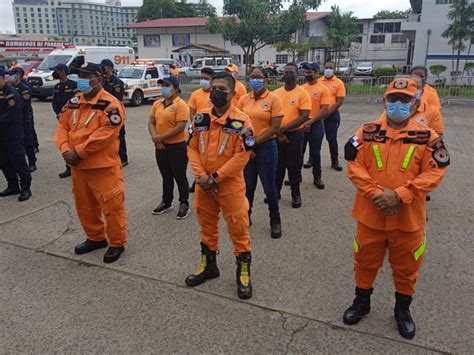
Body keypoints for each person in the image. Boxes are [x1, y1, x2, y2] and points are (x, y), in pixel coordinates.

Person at [342, 78, 449, 339]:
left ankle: (402, 310)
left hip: (407, 219)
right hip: (370, 215)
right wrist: (377, 194)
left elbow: (435, 172)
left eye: (404, 100)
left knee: (407, 267)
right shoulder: (366, 132)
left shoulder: (427, 137)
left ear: (415, 104)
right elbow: (354, 166)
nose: (398, 104)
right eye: (393, 99)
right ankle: (362, 302)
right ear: (384, 101)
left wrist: (400, 195)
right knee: (364, 262)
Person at [185, 72, 255, 300]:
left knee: (238, 228)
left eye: (222, 89)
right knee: (206, 225)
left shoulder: (242, 121)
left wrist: (214, 178)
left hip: (229, 186)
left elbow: (241, 156)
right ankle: (209, 266)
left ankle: (243, 272)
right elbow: (192, 148)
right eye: (213, 87)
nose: (215, 92)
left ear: (233, 94)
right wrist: (202, 177)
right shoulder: (200, 119)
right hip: (203, 185)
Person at [54, 63, 127, 263]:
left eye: (87, 76)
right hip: (78, 167)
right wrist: (65, 149)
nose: (82, 79)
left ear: (99, 78)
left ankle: (116, 243)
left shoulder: (111, 104)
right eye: (80, 75)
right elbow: (62, 126)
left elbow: (105, 134)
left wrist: (78, 151)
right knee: (84, 206)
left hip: (103, 166)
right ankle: (95, 238)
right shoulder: (74, 102)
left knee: (112, 207)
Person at [237, 67, 284, 238]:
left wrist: (254, 143)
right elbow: (238, 122)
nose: (254, 80)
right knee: (248, 187)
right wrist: (247, 146)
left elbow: (275, 127)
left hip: (266, 148)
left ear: (266, 79)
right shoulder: (243, 99)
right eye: (252, 77)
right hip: (247, 148)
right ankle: (246, 216)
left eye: (258, 77)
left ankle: (275, 220)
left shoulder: (274, 99)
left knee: (269, 187)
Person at [148, 76, 190, 219]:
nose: (164, 87)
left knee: (179, 176)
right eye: (162, 85)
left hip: (177, 146)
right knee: (166, 176)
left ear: (176, 88)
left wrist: (160, 137)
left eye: (167, 85)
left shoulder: (181, 105)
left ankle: (184, 203)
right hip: (160, 146)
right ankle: (166, 201)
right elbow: (151, 122)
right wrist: (156, 138)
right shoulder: (157, 104)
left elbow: (180, 127)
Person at [273, 63, 311, 208]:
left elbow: (304, 116)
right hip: (277, 135)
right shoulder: (276, 93)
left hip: (295, 135)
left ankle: (296, 194)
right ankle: (276, 192)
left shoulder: (302, 93)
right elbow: (272, 116)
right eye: (286, 72)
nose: (288, 74)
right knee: (278, 165)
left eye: (292, 72)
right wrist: (278, 132)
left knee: (294, 166)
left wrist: (283, 129)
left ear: (297, 74)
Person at [0, 68, 32, 201]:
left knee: (18, 161)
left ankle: (26, 188)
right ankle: (13, 185)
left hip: (12, 133)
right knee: (3, 161)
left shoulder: (11, 93)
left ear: (2, 77)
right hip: (1, 134)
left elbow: (12, 115)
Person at [301, 63, 331, 189]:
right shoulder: (301, 88)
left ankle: (317, 177)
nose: (307, 74)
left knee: (315, 152)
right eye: (306, 72)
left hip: (316, 124)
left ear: (317, 73)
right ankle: (295, 175)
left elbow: (324, 109)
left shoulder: (323, 89)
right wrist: (303, 122)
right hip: (302, 123)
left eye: (310, 72)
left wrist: (311, 122)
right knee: (298, 152)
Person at [187, 67, 214, 193]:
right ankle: (198, 179)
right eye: (201, 78)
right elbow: (192, 114)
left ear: (212, 80)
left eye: (206, 79)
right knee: (198, 157)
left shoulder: (215, 94)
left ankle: (211, 179)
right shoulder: (195, 94)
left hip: (213, 132)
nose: (203, 81)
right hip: (199, 132)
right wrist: (196, 127)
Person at [52, 63, 80, 178]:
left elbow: (77, 101)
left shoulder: (74, 85)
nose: (56, 73)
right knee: (65, 142)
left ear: (63, 71)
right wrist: (58, 113)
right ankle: (68, 167)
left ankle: (76, 164)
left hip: (73, 117)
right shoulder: (57, 87)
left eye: (58, 71)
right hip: (62, 119)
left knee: (75, 140)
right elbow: (54, 102)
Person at [7, 68, 37, 172]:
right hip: (15, 121)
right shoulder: (10, 88)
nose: (9, 77)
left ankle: (32, 162)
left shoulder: (24, 89)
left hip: (24, 119)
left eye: (12, 75)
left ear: (18, 75)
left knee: (28, 141)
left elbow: (22, 105)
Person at [318, 61, 346, 171]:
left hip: (332, 115)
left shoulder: (339, 83)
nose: (328, 69)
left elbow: (339, 102)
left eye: (330, 68)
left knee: (332, 139)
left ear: (334, 69)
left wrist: (327, 113)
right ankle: (311, 159)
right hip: (319, 115)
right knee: (316, 139)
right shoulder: (319, 82)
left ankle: (335, 161)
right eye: (326, 67)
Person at [100, 59, 128, 167]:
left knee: (120, 135)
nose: (102, 69)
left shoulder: (117, 82)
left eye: (104, 67)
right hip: (103, 112)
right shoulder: (102, 81)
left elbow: (117, 98)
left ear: (110, 68)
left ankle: (123, 158)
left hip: (115, 112)